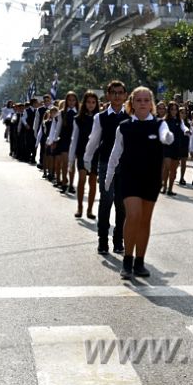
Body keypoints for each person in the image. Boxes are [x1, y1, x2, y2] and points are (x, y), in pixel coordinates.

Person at [105, 86, 174, 279]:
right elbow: (115, 153)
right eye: (139, 100)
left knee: (145, 220)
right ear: (132, 103)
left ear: (151, 104)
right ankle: (127, 260)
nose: (142, 103)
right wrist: (108, 177)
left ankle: (139, 262)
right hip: (130, 177)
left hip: (151, 179)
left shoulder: (160, 124)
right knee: (133, 215)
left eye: (146, 100)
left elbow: (166, 137)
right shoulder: (124, 126)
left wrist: (168, 137)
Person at [84, 81, 129, 255]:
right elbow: (93, 140)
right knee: (106, 201)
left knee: (121, 204)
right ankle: (103, 241)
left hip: (125, 165)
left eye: (120, 93)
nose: (117, 96)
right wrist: (87, 159)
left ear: (125, 95)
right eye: (114, 93)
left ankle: (119, 240)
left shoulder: (131, 116)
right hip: (105, 164)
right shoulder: (100, 117)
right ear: (108, 95)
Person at [69, 91, 100, 219]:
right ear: (84, 103)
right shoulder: (78, 119)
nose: (91, 105)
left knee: (93, 182)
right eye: (88, 102)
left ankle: (90, 209)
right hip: (82, 152)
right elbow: (74, 138)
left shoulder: (100, 118)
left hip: (96, 153)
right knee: (82, 179)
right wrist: (71, 160)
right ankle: (80, 207)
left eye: (93, 102)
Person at [49, 92, 79, 193]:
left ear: (76, 101)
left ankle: (71, 184)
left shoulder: (79, 112)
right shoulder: (62, 113)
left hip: (74, 140)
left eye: (73, 100)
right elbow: (58, 128)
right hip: (64, 140)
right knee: (65, 163)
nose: (71, 102)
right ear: (66, 101)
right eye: (69, 100)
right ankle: (64, 184)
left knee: (72, 164)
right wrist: (54, 140)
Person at [161, 101, 188, 196]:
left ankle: (170, 189)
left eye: (175, 109)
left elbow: (183, 127)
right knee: (167, 167)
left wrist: (187, 131)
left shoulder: (179, 120)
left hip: (177, 147)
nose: (174, 111)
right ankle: (164, 187)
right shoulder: (165, 121)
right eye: (172, 109)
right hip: (167, 146)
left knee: (173, 170)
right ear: (169, 110)